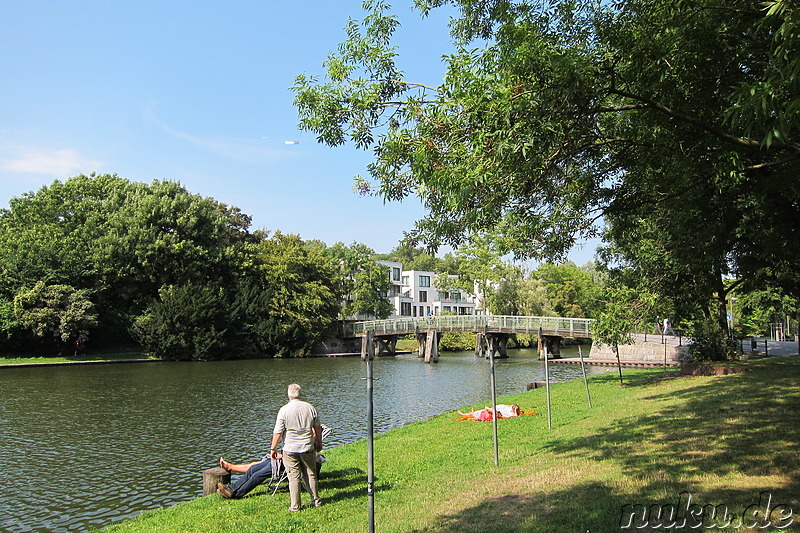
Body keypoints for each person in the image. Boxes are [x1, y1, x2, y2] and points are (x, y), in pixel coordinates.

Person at [270, 383, 323, 511]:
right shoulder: (310, 408)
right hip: (307, 446)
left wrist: (273, 448)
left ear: (288, 395)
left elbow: (278, 432)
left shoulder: (284, 410)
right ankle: (316, 501)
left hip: (290, 449)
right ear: (301, 394)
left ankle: (295, 506)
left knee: (293, 477)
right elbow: (317, 428)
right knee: (311, 474)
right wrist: (319, 442)